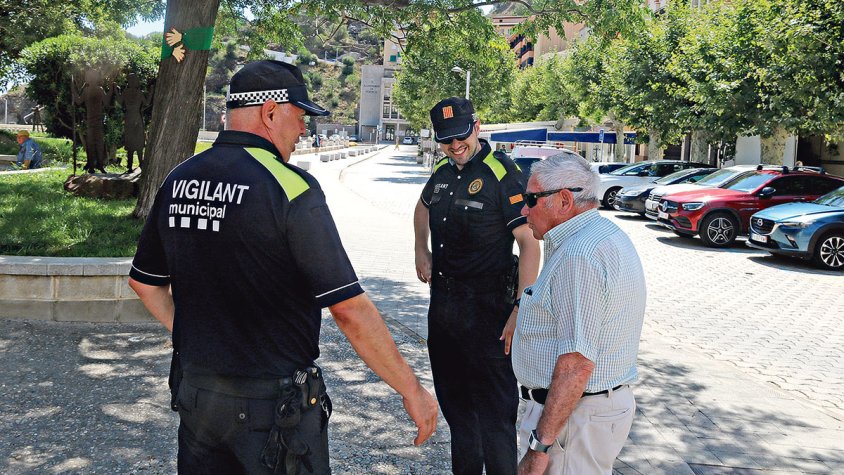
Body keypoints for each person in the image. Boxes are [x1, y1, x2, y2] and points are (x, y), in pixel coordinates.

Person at [128, 60, 437, 474]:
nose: (304, 129)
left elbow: (144, 283)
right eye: (300, 115)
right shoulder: (290, 186)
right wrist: (411, 388)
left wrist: (199, 334)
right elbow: (348, 309)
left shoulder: (178, 179)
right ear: (271, 111)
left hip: (198, 396)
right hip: (272, 411)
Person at [414, 96, 540, 474]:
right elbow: (422, 208)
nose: (455, 146)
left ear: (477, 126)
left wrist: (522, 308)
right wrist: (421, 249)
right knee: (459, 414)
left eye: (461, 137)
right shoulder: (442, 170)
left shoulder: (503, 172)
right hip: (446, 312)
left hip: (489, 315)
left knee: (496, 418)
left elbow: (530, 245)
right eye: (446, 140)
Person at [512, 153, 646, 475]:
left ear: (563, 200)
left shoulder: (578, 256)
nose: (523, 209)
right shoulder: (598, 235)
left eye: (531, 199)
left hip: (574, 419)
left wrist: (540, 447)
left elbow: (576, 365)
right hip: (582, 413)